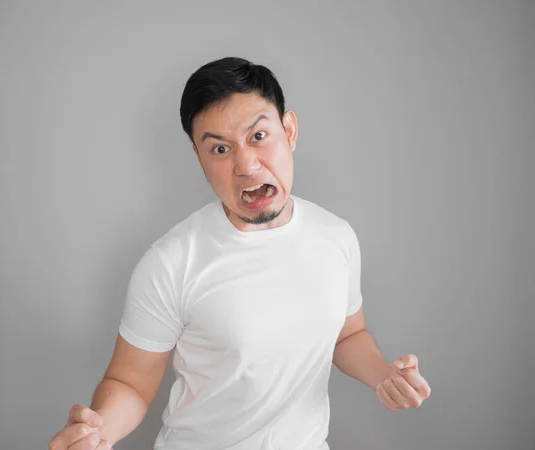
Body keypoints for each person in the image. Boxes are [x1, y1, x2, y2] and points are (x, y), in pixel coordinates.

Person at [48, 57, 431, 450]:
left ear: (290, 131)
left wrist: (385, 375)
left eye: (259, 136)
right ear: (199, 158)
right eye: (219, 148)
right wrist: (98, 432)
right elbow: (130, 382)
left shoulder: (336, 237)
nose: (246, 165)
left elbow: (348, 334)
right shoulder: (171, 262)